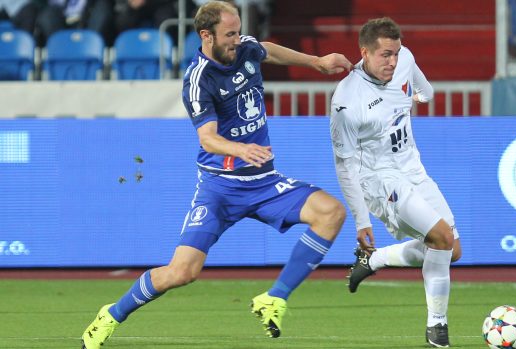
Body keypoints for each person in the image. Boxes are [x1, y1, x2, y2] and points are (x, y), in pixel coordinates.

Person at [80, 1, 351, 348]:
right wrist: (241, 150)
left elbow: (267, 50)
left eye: (238, 31)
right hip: (220, 188)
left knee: (331, 212)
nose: (238, 39)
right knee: (182, 273)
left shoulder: (244, 48)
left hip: (264, 182)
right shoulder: (199, 78)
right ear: (206, 35)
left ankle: (275, 297)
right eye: (229, 34)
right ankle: (111, 315)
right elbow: (207, 137)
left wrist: (317, 61)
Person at [329, 17, 462, 348]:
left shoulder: (405, 59)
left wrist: (414, 100)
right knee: (442, 238)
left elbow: (425, 92)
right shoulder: (347, 100)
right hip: (379, 180)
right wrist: (361, 220)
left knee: (451, 249)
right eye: (385, 55)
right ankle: (437, 328)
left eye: (396, 53)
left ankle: (372, 260)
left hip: (412, 168)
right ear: (365, 52)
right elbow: (344, 166)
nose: (393, 61)